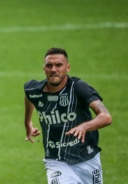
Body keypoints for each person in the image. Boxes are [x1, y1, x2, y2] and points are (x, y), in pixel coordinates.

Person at [23, 47, 112, 184]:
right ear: (44, 68)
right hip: (56, 161)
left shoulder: (78, 88)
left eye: (58, 65)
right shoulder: (34, 89)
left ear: (67, 67)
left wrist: (84, 127)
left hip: (87, 159)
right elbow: (29, 97)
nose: (53, 69)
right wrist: (27, 123)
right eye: (49, 65)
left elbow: (106, 117)